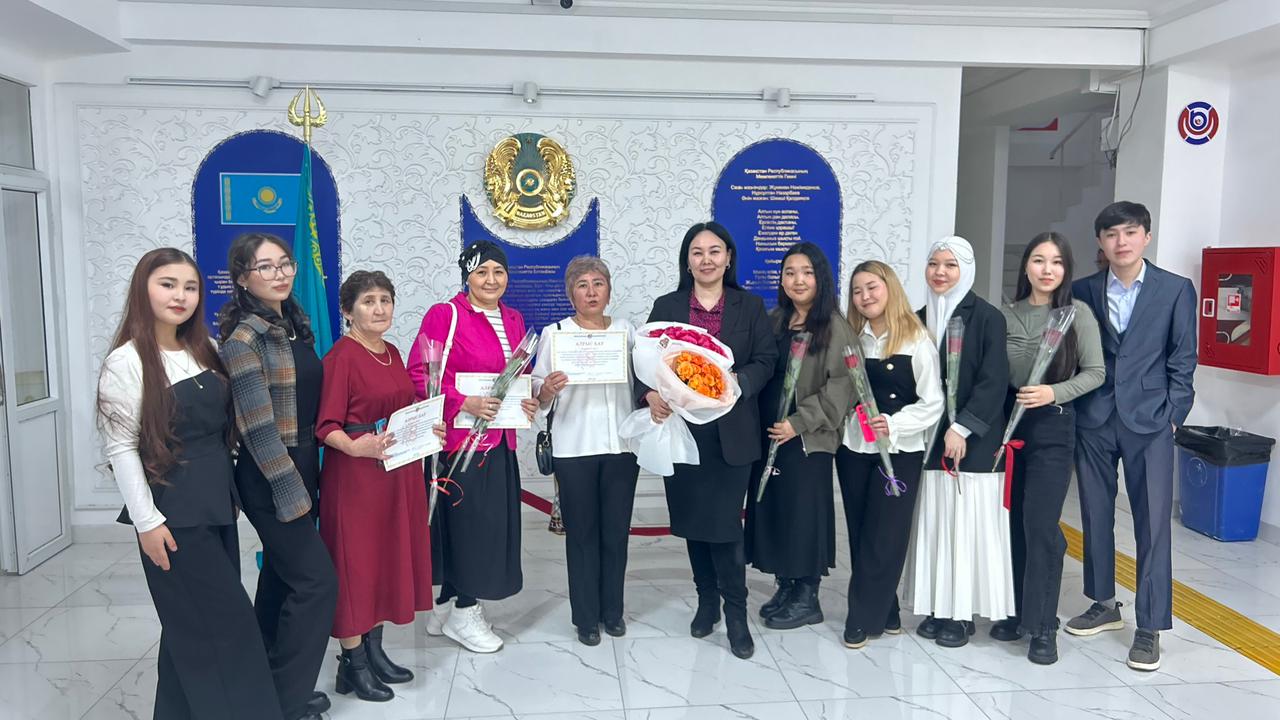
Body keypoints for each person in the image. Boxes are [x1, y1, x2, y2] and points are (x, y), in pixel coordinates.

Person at [97, 248, 283, 720]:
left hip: (216, 506)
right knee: (230, 629)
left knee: (190, 627)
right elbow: (122, 449)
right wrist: (147, 523)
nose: (180, 295)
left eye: (190, 287)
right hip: (172, 516)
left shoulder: (204, 349)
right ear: (143, 289)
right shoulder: (126, 362)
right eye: (168, 284)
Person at [638, 221, 778, 660]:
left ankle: (736, 613)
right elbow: (642, 360)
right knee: (693, 523)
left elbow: (766, 359)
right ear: (687, 261)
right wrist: (649, 394)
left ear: (728, 257)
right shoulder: (667, 305)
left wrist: (735, 384)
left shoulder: (749, 306)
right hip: (682, 432)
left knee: (724, 526)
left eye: (715, 251)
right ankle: (706, 602)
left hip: (731, 433)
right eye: (697, 252)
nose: (706, 259)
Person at [1067, 201, 1197, 671]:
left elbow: (1183, 357)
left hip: (1151, 421)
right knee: (1095, 512)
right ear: (1100, 242)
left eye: (1129, 232)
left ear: (1146, 237)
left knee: (1153, 522)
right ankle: (1103, 603)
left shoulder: (1175, 289)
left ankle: (1150, 625)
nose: (1121, 242)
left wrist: (1173, 416)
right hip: (1095, 417)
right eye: (1111, 234)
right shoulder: (1081, 290)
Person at [219, 233, 337, 720]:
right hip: (270, 473)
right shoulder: (243, 339)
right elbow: (257, 429)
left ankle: (264, 685)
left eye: (285, 263)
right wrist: (291, 490)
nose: (281, 273)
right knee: (316, 583)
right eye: (265, 267)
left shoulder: (290, 325)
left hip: (303, 461)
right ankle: (286, 702)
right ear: (243, 279)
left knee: (281, 580)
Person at [407, 240, 540, 654]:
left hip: (499, 440)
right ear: (467, 276)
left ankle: (446, 605)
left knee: (474, 526)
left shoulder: (514, 319)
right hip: (459, 443)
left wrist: (527, 400)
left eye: (498, 272)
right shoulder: (445, 315)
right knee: (471, 529)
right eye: (482, 272)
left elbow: (516, 378)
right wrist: (463, 402)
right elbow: (419, 373)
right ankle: (466, 610)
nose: (491, 280)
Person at [317, 271, 436, 701]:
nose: (379, 308)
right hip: (356, 477)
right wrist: (356, 447)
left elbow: (402, 410)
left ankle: (374, 651)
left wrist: (428, 428)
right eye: (368, 301)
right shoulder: (341, 358)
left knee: (385, 559)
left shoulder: (393, 351)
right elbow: (326, 425)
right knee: (356, 566)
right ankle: (352, 664)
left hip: (396, 471)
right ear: (347, 311)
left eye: (385, 300)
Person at [998, 233, 1105, 664]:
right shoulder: (1006, 314)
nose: (1047, 269)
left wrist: (1053, 393)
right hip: (1010, 427)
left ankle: (1044, 627)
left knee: (1041, 525)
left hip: (1053, 427)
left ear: (1066, 269)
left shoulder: (1077, 314)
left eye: (1056, 262)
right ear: (1026, 266)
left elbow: (1096, 372)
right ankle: (1018, 612)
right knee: (1012, 524)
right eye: (1039, 260)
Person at [902, 236, 1012, 649]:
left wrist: (962, 427)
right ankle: (937, 606)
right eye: (934, 264)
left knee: (966, 528)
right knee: (936, 523)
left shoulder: (987, 317)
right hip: (929, 441)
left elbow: (993, 380)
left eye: (950, 265)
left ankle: (961, 614)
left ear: (966, 270)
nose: (940, 272)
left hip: (973, 444)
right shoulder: (916, 319)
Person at [531, 256, 640, 646]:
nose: (591, 292)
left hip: (621, 445)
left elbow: (644, 383)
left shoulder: (627, 331)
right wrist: (547, 389)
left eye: (598, 283)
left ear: (609, 290)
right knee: (581, 535)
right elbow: (537, 389)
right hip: (574, 446)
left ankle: (613, 611)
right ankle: (586, 618)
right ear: (570, 293)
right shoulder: (556, 333)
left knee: (616, 533)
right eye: (582, 285)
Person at [746, 242, 854, 630]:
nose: (798, 280)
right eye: (790, 272)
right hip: (769, 434)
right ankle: (786, 585)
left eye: (807, 272)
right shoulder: (776, 320)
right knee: (776, 512)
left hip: (806, 439)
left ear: (820, 277)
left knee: (803, 515)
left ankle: (808, 596)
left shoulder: (835, 327)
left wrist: (799, 422)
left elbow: (843, 386)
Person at [837, 260, 943, 650]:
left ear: (890, 288)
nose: (864, 296)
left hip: (900, 452)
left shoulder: (917, 339)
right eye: (857, 291)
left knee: (886, 536)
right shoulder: (852, 339)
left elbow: (934, 402)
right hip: (853, 449)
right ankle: (888, 611)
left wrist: (894, 424)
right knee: (860, 532)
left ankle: (861, 618)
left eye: (872, 287)